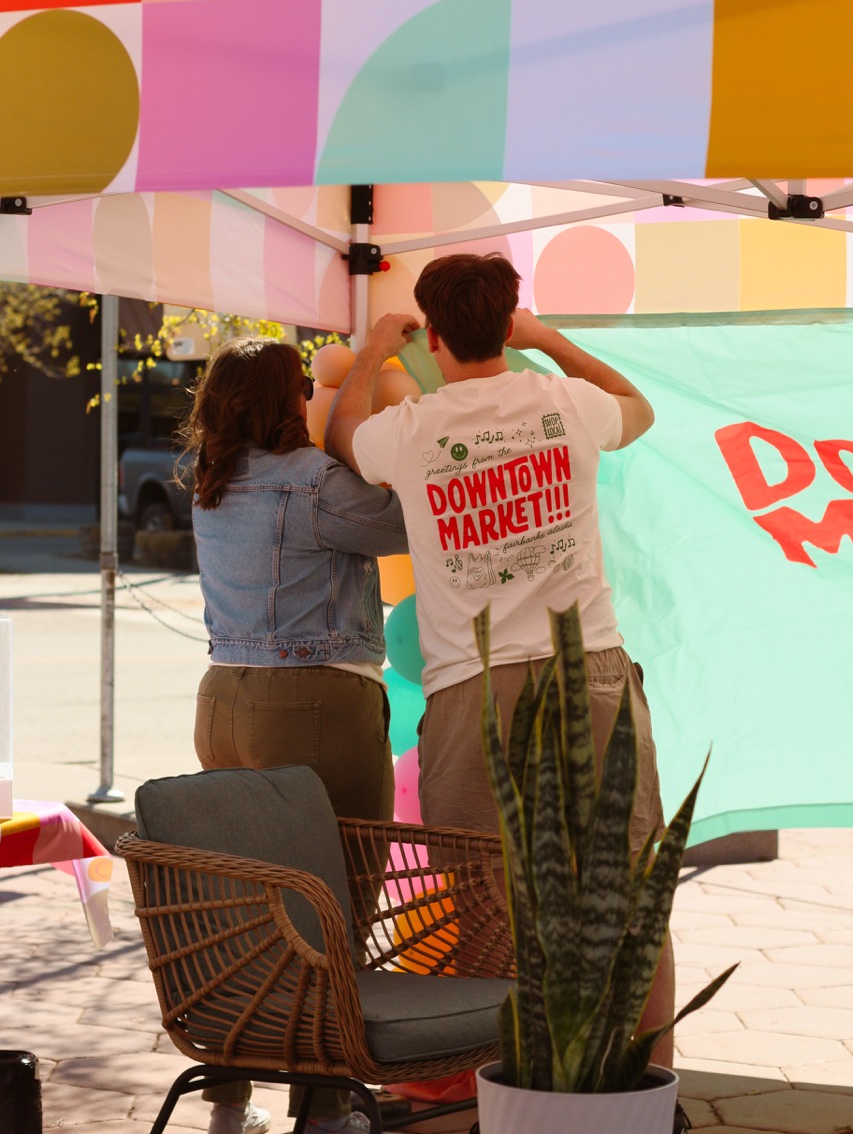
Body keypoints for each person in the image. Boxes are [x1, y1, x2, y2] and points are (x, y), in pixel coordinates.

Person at [324, 252, 675, 1072]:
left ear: (433, 335)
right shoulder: (566, 402)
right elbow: (640, 408)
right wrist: (548, 341)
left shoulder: (412, 430)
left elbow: (341, 434)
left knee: (486, 904)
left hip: (473, 690)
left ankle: (511, 1087)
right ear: (507, 323)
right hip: (589, 672)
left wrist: (372, 350)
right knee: (630, 900)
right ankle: (648, 1087)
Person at [180, 336, 407, 1134]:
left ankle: (227, 1103)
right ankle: (321, 1111)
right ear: (288, 401)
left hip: (222, 701)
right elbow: (406, 525)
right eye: (304, 388)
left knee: (243, 908)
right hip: (314, 703)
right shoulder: (312, 481)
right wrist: (369, 403)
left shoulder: (211, 482)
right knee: (333, 906)